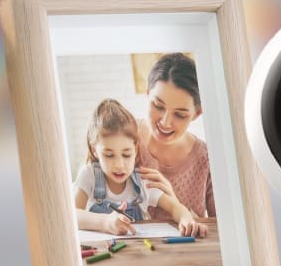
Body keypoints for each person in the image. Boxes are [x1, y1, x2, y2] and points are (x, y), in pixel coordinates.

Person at [74, 99, 207, 237]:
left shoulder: (142, 181)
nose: (119, 165)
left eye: (126, 155)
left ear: (136, 149)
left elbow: (175, 207)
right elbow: (73, 214)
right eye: (109, 155)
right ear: (94, 150)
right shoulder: (89, 175)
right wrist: (106, 222)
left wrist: (187, 220)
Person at [136, 52, 216, 221]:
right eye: (158, 106)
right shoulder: (122, 133)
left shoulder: (206, 160)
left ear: (197, 113)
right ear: (148, 94)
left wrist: (176, 206)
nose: (165, 122)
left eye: (180, 114)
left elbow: (223, 228)